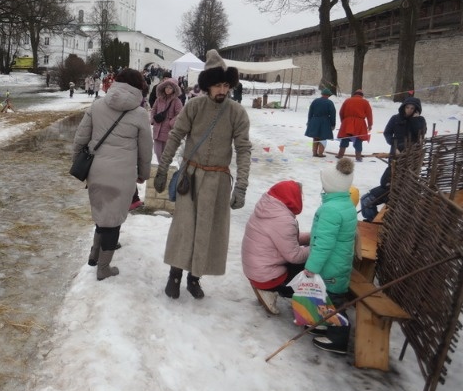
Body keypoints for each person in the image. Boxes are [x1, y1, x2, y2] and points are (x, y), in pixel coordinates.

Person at [153, 49, 252, 300]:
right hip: (191, 178)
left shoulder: (237, 113)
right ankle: (175, 275)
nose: (222, 90)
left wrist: (241, 186)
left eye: (225, 85)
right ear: (208, 86)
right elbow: (175, 137)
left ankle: (194, 277)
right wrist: (163, 168)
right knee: (184, 227)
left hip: (218, 181)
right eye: (217, 85)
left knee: (209, 230)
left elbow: (243, 149)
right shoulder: (194, 106)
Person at [72, 68, 153, 281]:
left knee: (102, 213)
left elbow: (80, 138)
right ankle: (103, 268)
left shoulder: (97, 105)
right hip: (123, 175)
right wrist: (143, 173)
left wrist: (78, 164)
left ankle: (94, 255)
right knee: (113, 219)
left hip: (96, 170)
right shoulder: (140, 114)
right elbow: (146, 149)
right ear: (139, 87)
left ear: (116, 82)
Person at [304, 157, 358, 354]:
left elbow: (324, 244)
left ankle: (338, 338)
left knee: (334, 301)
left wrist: (312, 266)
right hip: (338, 263)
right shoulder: (345, 204)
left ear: (331, 186)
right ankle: (325, 323)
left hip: (330, 266)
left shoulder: (331, 210)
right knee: (326, 296)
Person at [241, 181, 310, 315]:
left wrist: (311, 237)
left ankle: (266, 288)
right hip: (267, 277)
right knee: (312, 265)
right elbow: (294, 256)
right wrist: (317, 248)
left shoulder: (268, 209)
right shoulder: (283, 220)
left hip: (255, 270)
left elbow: (285, 239)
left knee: (306, 253)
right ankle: (274, 290)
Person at [149, 78, 184, 161]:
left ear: (174, 89)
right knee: (157, 151)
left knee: (165, 152)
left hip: (168, 130)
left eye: (170, 88)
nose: (168, 90)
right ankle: (161, 165)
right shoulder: (159, 99)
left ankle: (162, 168)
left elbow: (180, 114)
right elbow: (154, 109)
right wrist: (153, 119)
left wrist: (171, 123)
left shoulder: (177, 101)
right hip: (157, 128)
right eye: (166, 87)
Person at [337, 89, 373, 161]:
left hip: (347, 122)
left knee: (345, 138)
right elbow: (369, 114)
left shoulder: (347, 100)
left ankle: (340, 155)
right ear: (362, 95)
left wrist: (343, 121)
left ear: (354, 94)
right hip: (359, 123)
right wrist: (370, 125)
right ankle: (358, 157)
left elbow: (341, 112)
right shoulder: (365, 102)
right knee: (359, 139)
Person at [305, 88, 336, 158]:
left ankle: (314, 153)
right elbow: (333, 114)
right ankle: (320, 153)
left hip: (315, 120)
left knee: (315, 137)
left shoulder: (315, 101)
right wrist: (333, 124)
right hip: (325, 122)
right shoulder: (329, 103)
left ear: (322, 94)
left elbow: (310, 112)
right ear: (328, 95)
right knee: (323, 138)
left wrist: (309, 121)